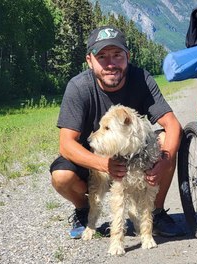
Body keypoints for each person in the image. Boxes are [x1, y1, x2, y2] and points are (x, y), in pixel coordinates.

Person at [50, 25, 185, 238]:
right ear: (89, 61)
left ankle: (155, 212)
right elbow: (66, 144)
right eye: (102, 56)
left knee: (167, 140)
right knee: (61, 176)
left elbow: (173, 124)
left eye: (117, 55)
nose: (111, 64)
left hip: (133, 154)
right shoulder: (78, 87)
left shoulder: (141, 79)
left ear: (127, 56)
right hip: (94, 155)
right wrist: (103, 165)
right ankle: (84, 210)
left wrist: (165, 160)